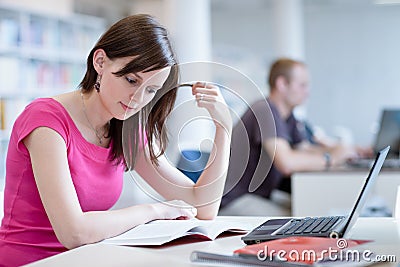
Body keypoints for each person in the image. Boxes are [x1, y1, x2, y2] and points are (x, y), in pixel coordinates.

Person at [0, 14, 232, 266]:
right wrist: (154, 211)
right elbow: (74, 232)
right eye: (131, 80)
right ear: (100, 62)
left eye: (151, 90)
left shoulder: (126, 129)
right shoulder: (46, 120)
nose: (138, 99)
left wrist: (223, 127)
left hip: (85, 259)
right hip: (29, 261)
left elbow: (202, 206)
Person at [220, 58, 370, 211]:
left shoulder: (288, 117)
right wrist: (331, 158)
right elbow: (287, 163)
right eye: (302, 85)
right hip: (236, 200)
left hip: (261, 195)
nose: (307, 92)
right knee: (305, 218)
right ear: (282, 84)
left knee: (316, 212)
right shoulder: (265, 110)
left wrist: (346, 150)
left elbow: (304, 150)